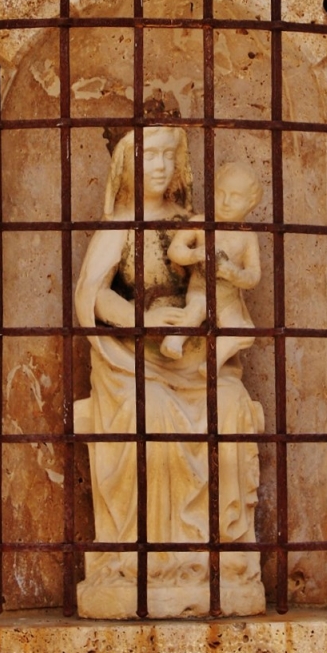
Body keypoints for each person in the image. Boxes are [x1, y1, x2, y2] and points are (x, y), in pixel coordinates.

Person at [73, 125, 266, 619]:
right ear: (125, 163)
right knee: (150, 415)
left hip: (193, 357)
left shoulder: (194, 221)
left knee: (229, 405)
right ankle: (150, 559)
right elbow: (94, 296)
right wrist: (144, 320)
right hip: (132, 362)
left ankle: (213, 558)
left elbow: (219, 282)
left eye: (167, 155)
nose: (158, 166)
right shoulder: (119, 226)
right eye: (147, 155)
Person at [160, 161, 263, 375]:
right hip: (201, 290)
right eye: (220, 193)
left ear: (250, 202)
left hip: (228, 298)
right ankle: (174, 340)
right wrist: (194, 254)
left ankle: (212, 364)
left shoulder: (247, 237)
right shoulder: (200, 223)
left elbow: (253, 275)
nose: (225, 202)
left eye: (235, 197)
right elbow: (174, 250)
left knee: (242, 332)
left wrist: (234, 273)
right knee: (197, 309)